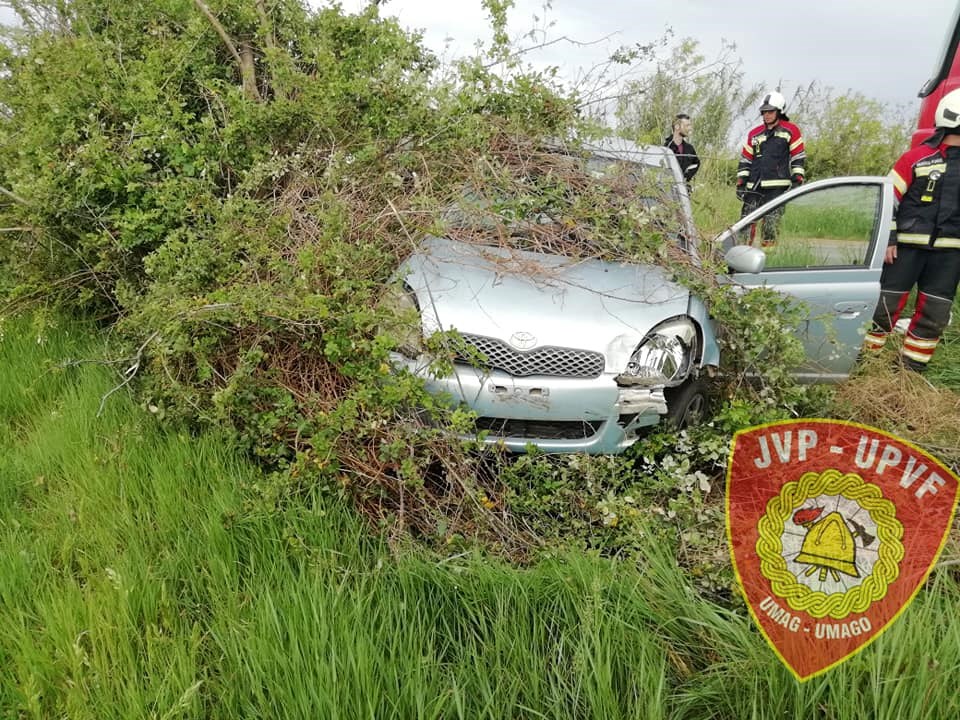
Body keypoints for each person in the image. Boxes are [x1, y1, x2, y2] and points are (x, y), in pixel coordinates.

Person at [862, 88, 960, 372]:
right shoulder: (916, 158)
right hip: (904, 250)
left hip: (950, 255)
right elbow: (886, 201)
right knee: (883, 308)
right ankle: (865, 364)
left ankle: (910, 371)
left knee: (934, 315)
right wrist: (889, 239)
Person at [736, 91, 806, 246]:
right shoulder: (754, 134)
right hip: (754, 187)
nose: (766, 115)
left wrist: (797, 178)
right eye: (764, 112)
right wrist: (741, 182)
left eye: (770, 111)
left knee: (771, 225)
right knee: (745, 224)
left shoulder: (791, 130)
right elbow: (746, 159)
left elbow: (798, 155)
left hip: (777, 187)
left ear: (779, 111)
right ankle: (741, 253)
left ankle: (769, 256)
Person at [665, 113, 700, 187]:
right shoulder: (666, 148)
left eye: (690, 125)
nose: (690, 128)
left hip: (685, 189)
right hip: (668, 188)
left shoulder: (690, 149)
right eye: (687, 125)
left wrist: (686, 177)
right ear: (677, 126)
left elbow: (696, 163)